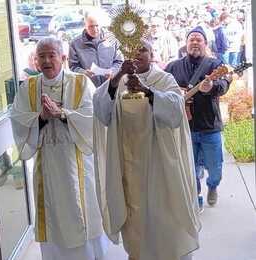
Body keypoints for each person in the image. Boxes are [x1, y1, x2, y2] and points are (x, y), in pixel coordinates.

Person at [93, 40, 200, 260]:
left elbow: (175, 110)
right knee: (135, 217)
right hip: (129, 164)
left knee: (164, 216)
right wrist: (116, 79)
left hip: (159, 163)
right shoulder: (118, 82)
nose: (136, 53)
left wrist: (148, 92)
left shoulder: (163, 79)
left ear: (151, 54)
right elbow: (102, 111)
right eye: (131, 49)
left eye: (142, 49)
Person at [10, 37, 109, 260]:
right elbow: (17, 119)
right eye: (41, 56)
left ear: (63, 57)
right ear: (35, 61)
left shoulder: (80, 83)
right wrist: (42, 118)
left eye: (51, 55)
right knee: (53, 219)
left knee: (82, 215)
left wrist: (63, 114)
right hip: (48, 166)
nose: (46, 60)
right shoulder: (29, 87)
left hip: (77, 162)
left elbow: (93, 118)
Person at [165, 26, 232, 211]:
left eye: (198, 39)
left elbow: (225, 83)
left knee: (216, 168)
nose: (195, 42)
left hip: (210, 125)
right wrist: (176, 93)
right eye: (191, 39)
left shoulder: (214, 64)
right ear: (186, 44)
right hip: (185, 127)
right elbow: (162, 86)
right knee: (190, 169)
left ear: (205, 44)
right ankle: (197, 198)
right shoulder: (173, 66)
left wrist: (212, 86)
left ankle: (212, 185)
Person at [68, 12, 123, 87]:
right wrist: (84, 73)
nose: (95, 29)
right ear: (85, 26)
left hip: (111, 85)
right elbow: (73, 67)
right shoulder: (75, 44)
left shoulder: (112, 39)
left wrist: (113, 71)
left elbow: (119, 61)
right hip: (89, 87)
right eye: (91, 26)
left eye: (97, 25)